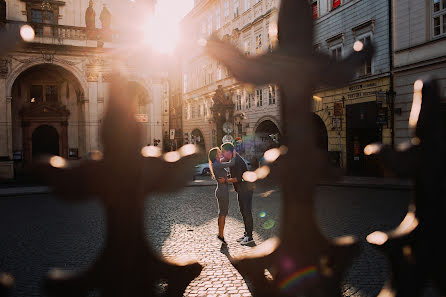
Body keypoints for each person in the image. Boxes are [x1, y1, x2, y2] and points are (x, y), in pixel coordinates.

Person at [220, 142, 254, 245]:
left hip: (246, 189)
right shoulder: (233, 160)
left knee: (247, 212)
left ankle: (249, 236)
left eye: (223, 152)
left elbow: (237, 178)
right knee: (243, 211)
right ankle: (246, 233)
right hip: (241, 189)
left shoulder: (237, 161)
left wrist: (225, 180)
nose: (222, 154)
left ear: (229, 152)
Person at [208, 147, 236, 244]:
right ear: (216, 155)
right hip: (222, 191)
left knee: (221, 213)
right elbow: (231, 163)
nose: (221, 153)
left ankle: (220, 234)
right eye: (220, 152)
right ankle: (221, 235)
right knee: (223, 213)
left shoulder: (217, 163)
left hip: (221, 190)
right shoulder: (217, 164)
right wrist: (234, 155)